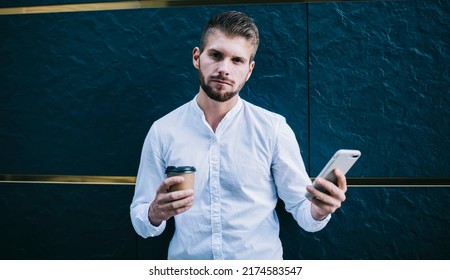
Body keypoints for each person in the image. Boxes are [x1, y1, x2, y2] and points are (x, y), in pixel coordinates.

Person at [130, 11, 347, 260]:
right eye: (216, 55)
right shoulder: (163, 131)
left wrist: (320, 210)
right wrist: (154, 213)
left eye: (237, 60)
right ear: (197, 57)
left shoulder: (272, 129)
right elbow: (140, 218)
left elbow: (302, 209)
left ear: (249, 70)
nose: (224, 69)